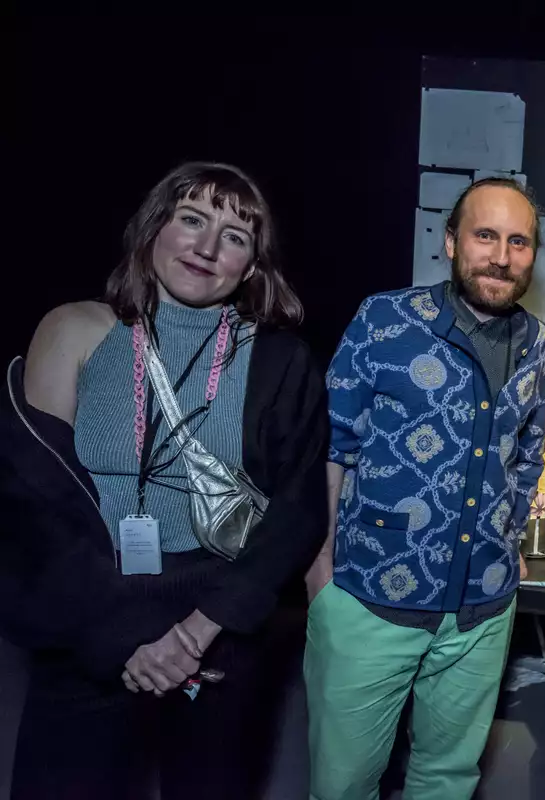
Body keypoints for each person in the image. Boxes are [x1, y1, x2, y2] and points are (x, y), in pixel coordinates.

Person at [1, 162, 329, 799]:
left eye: (235, 236)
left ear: (252, 265)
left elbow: (297, 513)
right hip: (88, 616)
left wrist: (198, 631)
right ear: (154, 228)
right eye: (192, 219)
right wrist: (125, 640)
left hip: (218, 626)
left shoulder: (281, 360)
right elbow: (32, 507)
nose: (207, 247)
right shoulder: (73, 329)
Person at [305, 177, 545, 800]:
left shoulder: (540, 346)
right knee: (342, 786)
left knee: (446, 780)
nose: (501, 255)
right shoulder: (384, 319)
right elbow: (330, 447)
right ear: (451, 242)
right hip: (368, 599)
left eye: (519, 241)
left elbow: (526, 457)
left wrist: (508, 536)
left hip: (482, 613)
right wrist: (319, 572)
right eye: (485, 235)